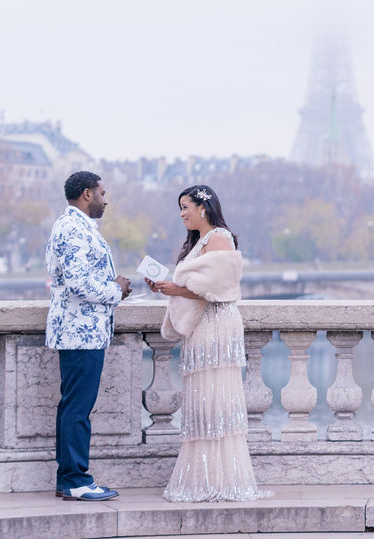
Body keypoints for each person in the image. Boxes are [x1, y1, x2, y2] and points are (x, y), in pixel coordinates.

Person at [147, 184, 270, 502]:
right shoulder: (198, 242)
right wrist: (169, 286)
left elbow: (217, 285)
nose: (181, 214)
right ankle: (205, 476)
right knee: (202, 399)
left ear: (203, 207)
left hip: (216, 325)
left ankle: (219, 479)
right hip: (203, 326)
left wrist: (175, 288)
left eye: (185, 206)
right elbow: (196, 285)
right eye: (180, 207)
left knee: (215, 399)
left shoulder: (219, 238)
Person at [45, 170, 132, 502]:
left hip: (84, 332)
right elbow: (80, 284)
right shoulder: (72, 229)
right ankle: (75, 481)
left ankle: (69, 477)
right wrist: (116, 290)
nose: (105, 199)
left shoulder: (75, 227)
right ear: (86, 194)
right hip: (80, 334)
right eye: (102, 193)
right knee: (77, 409)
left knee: (74, 408)